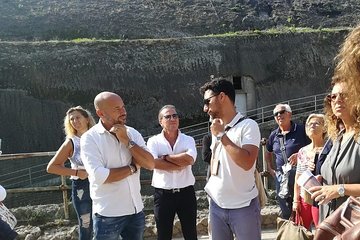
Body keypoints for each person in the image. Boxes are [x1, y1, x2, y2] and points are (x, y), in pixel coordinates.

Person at [80, 91, 155, 240]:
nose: (123, 112)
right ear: (101, 113)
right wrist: (133, 167)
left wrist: (127, 142)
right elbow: (99, 176)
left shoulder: (132, 133)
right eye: (117, 108)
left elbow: (150, 163)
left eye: (123, 107)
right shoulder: (89, 139)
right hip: (108, 215)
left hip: (136, 212)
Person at [199, 78, 261, 240]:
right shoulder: (216, 126)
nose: (205, 108)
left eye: (208, 101)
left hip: (243, 206)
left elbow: (247, 163)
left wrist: (221, 135)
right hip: (216, 205)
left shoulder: (248, 126)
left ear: (222, 97)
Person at [309, 78, 360, 221]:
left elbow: (338, 188)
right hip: (330, 224)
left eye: (344, 95)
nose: (337, 100)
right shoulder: (337, 138)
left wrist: (339, 190)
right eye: (333, 96)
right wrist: (323, 182)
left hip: (352, 226)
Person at [147, 105, 198, 240]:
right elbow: (153, 163)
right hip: (163, 195)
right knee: (163, 236)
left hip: (186, 193)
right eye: (167, 116)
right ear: (160, 121)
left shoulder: (188, 139)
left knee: (191, 235)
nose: (172, 119)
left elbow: (190, 159)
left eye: (175, 115)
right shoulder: (153, 141)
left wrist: (165, 158)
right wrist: (178, 163)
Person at [47, 106, 96, 240]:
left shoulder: (98, 137)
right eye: (71, 119)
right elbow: (51, 167)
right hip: (82, 186)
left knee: (105, 220)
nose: (75, 121)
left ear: (87, 119)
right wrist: (77, 172)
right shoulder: (71, 142)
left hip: (101, 183)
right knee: (86, 223)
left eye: (78, 117)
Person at [265, 103, 310, 220]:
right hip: (281, 177)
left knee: (302, 209)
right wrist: (270, 169)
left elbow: (315, 146)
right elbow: (268, 151)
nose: (279, 115)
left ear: (289, 114)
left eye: (282, 112)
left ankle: (303, 236)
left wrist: (300, 154)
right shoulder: (273, 135)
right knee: (285, 212)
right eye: (276, 114)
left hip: (300, 175)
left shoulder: (301, 130)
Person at [292, 113, 327, 230]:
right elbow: (298, 178)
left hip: (322, 197)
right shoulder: (302, 151)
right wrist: (295, 200)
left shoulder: (330, 150)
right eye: (310, 124)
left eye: (317, 123)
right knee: (302, 232)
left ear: (325, 128)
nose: (312, 125)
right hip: (304, 197)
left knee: (321, 231)